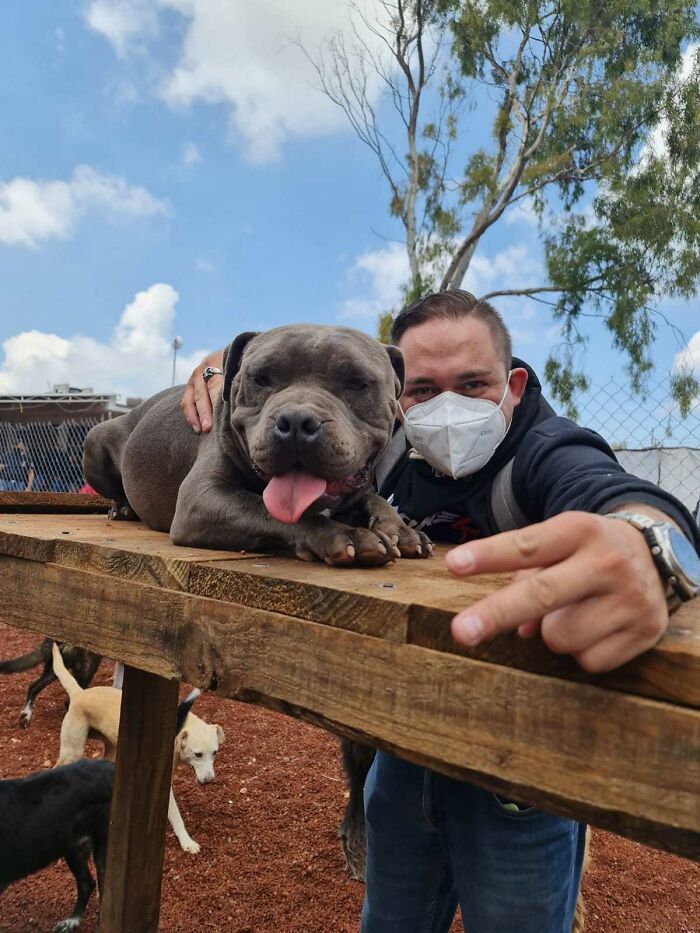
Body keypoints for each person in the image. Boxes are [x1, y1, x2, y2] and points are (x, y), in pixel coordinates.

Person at [181, 291, 700, 933]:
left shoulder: (544, 448)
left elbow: (617, 495)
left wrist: (647, 542)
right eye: (423, 390)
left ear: (512, 385)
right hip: (400, 745)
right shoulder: (381, 450)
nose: (445, 408)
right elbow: (297, 376)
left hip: (518, 768)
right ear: (396, 397)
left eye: (473, 384)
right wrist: (225, 370)